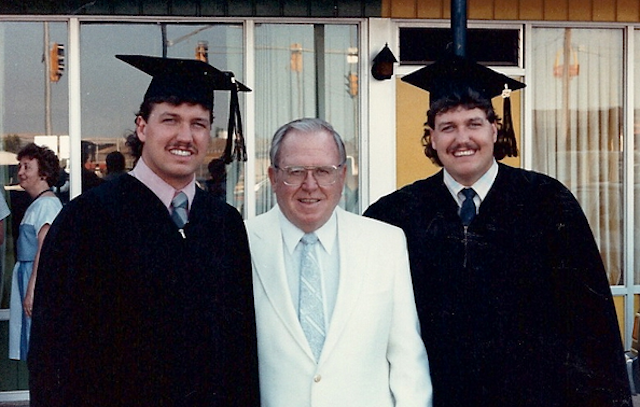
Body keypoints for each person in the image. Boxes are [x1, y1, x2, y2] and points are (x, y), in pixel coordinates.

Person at [364, 54, 632, 406]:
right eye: (448, 127)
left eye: (473, 123)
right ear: (430, 137)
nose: (462, 139)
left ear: (494, 128)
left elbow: (590, 324)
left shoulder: (547, 203)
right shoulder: (395, 214)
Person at [28, 55, 259, 407]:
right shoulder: (87, 220)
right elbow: (53, 356)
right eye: (170, 119)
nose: (185, 136)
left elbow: (240, 350)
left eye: (198, 123)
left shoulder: (224, 223)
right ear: (141, 126)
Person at [245, 117, 432, 407]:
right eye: (295, 172)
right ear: (272, 177)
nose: (310, 185)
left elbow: (407, 361)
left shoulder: (385, 243)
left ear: (342, 176)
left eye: (323, 171)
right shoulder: (240, 243)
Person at [9, 143, 62, 361]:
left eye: (27, 167)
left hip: (34, 276)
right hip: (27, 274)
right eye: (19, 166)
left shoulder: (47, 205)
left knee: (38, 343)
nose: (20, 172)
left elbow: (44, 249)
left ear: (44, 174)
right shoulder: (37, 204)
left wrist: (32, 289)